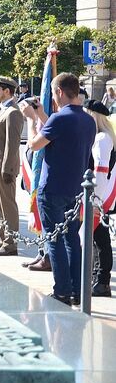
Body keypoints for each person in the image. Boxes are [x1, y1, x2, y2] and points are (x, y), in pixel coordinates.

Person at [21, 73, 96, 305]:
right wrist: (42, 114)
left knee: (54, 241)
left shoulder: (59, 119)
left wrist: (31, 120)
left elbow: (34, 145)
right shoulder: (88, 120)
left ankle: (62, 290)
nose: (54, 98)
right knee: (72, 240)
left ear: (60, 92)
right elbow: (58, 134)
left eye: (54, 93)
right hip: (75, 189)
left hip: (52, 188)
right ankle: (76, 290)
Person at [0, 76, 25, 256]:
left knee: (7, 205)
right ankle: (2, 239)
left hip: (3, 167)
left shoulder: (13, 112)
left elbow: (12, 143)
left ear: (7, 91)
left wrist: (8, 168)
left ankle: (10, 243)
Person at [82, 99, 115, 297]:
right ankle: (98, 279)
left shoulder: (102, 138)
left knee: (100, 240)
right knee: (96, 239)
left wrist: (97, 199)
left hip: (99, 195)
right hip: (97, 194)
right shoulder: (100, 136)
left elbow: (101, 171)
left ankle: (102, 281)